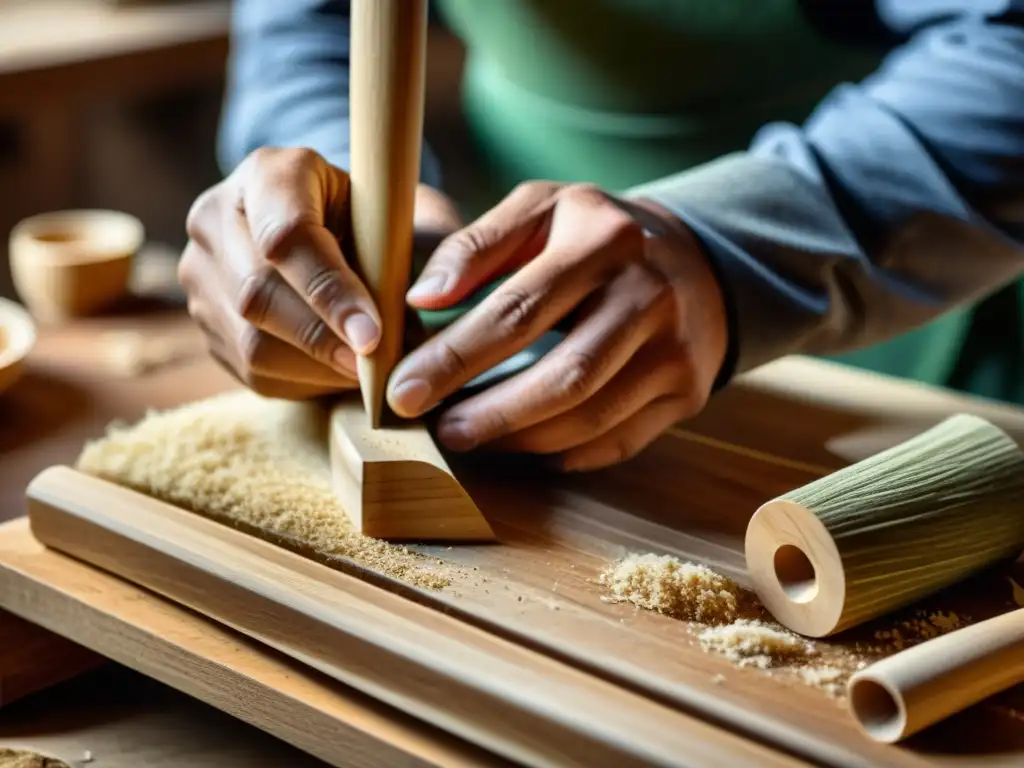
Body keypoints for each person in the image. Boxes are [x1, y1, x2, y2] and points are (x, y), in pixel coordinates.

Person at [179, 1, 1024, 472]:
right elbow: (307, 30)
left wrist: (728, 251)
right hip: (527, 314)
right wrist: (351, 204)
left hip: (919, 341)